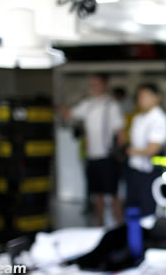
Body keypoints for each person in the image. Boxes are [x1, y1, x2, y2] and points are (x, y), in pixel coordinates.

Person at [59, 73, 126, 226]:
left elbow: (120, 132)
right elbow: (71, 115)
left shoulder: (111, 105)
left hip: (107, 156)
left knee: (113, 195)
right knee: (97, 196)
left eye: (96, 84)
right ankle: (99, 229)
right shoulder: (88, 104)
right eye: (92, 84)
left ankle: (119, 228)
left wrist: (121, 154)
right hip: (92, 157)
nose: (93, 87)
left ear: (104, 85)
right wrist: (55, 106)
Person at [126, 83, 166, 216]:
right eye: (140, 96)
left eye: (145, 96)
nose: (141, 100)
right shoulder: (138, 118)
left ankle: (146, 237)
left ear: (156, 97)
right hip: (134, 170)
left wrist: (132, 151)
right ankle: (133, 236)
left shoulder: (159, 119)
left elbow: (153, 149)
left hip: (149, 173)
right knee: (132, 209)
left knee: (147, 212)